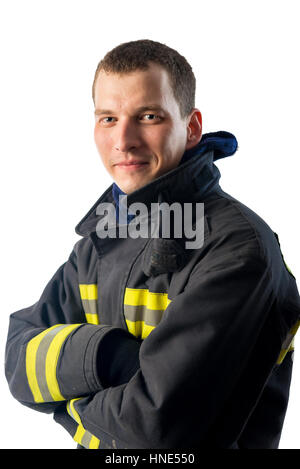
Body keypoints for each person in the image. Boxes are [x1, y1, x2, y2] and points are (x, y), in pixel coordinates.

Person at [5, 39, 300, 450]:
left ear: (191, 127)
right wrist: (108, 355)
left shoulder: (237, 249)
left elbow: (153, 433)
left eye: (148, 116)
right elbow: (18, 361)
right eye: (108, 118)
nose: (123, 140)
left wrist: (65, 406)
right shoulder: (101, 239)